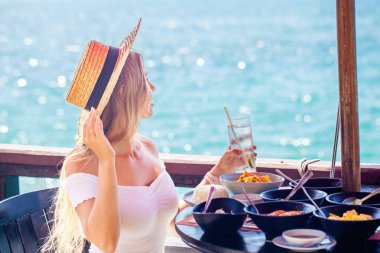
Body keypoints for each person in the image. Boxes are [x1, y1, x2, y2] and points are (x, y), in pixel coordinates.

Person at [41, 18, 254, 253]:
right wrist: (106, 159)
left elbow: (170, 223)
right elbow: (107, 242)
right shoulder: (83, 164)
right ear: (123, 92)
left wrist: (219, 172)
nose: (152, 88)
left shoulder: (147, 147)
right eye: (144, 79)